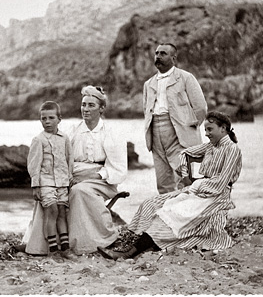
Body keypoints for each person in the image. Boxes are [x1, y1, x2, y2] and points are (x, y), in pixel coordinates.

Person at [98, 111, 241, 260]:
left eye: (209, 129)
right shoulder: (211, 147)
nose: (206, 133)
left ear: (223, 128)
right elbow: (185, 154)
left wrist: (196, 187)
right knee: (151, 203)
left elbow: (221, 182)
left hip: (216, 196)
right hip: (199, 190)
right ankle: (140, 244)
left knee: (171, 214)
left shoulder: (232, 150)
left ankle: (130, 252)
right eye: (205, 129)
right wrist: (185, 176)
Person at [67, 85, 128, 255]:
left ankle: (97, 239)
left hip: (102, 179)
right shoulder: (73, 130)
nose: (85, 109)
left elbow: (118, 167)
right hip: (74, 175)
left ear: (101, 108)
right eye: (83, 105)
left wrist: (92, 175)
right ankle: (41, 240)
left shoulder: (110, 132)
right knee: (50, 190)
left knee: (79, 191)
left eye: (91, 105)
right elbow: (64, 158)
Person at [143, 43, 207, 194]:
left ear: (173, 58)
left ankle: (191, 214)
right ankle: (168, 215)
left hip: (179, 132)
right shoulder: (149, 84)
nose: (158, 56)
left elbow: (201, 108)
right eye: (157, 53)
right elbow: (146, 109)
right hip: (155, 132)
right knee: (163, 180)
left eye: (163, 53)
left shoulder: (186, 78)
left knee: (186, 177)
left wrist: (189, 127)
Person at [15, 101, 75, 259]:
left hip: (62, 182)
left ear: (59, 119)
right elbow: (33, 164)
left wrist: (69, 178)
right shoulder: (38, 140)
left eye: (51, 118)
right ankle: (53, 250)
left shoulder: (65, 138)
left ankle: (65, 248)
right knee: (52, 211)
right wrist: (35, 185)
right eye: (43, 118)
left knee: (62, 212)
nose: (47, 121)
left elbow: (69, 159)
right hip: (46, 182)